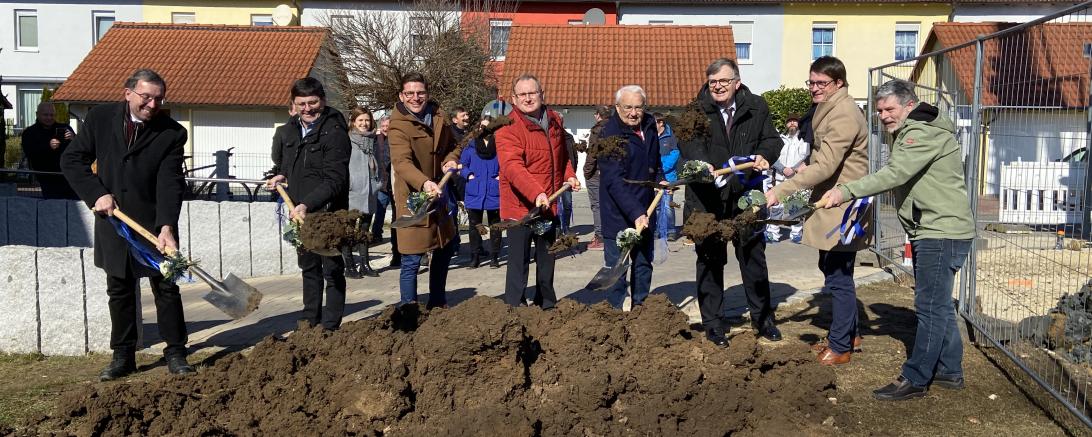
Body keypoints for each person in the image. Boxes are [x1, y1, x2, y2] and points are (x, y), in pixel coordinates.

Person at [821, 79, 975, 400]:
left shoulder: (919, 132)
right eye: (878, 111)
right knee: (940, 305)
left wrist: (845, 191)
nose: (884, 116)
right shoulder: (916, 128)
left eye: (889, 109)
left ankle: (915, 378)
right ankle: (949, 370)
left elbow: (895, 174)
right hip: (938, 229)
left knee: (929, 307)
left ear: (908, 105)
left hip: (939, 232)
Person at [60, 69, 194, 380]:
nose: (152, 104)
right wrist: (98, 194)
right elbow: (72, 160)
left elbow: (170, 182)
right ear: (128, 93)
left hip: (153, 223)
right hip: (112, 219)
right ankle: (123, 356)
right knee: (119, 288)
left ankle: (176, 352)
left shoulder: (171, 132)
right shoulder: (100, 119)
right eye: (146, 97)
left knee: (166, 287)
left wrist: (166, 227)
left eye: (158, 98)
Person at [767, 56, 872, 365]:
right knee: (832, 269)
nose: (814, 89)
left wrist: (780, 191)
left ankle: (840, 348)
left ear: (839, 83)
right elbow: (818, 156)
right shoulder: (828, 108)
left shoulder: (843, 114)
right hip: (830, 202)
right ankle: (848, 333)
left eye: (821, 83)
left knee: (838, 275)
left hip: (843, 206)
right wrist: (796, 169)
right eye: (811, 82)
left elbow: (826, 164)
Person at [678, 58, 781, 348]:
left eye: (724, 81)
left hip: (746, 197)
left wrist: (764, 155)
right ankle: (713, 325)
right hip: (707, 199)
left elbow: (772, 140)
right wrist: (702, 163)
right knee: (710, 261)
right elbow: (687, 144)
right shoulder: (695, 110)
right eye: (713, 82)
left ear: (737, 82)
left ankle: (763, 320)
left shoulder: (757, 107)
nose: (718, 87)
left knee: (753, 259)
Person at [266, 77, 351, 331]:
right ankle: (308, 321)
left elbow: (336, 179)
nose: (307, 109)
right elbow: (285, 165)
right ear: (293, 104)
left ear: (322, 101)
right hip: (299, 212)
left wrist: (308, 203)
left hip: (328, 212)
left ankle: (330, 326)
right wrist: (280, 176)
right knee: (308, 267)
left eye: (312, 103)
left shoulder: (334, 132)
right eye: (301, 103)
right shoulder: (288, 131)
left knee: (332, 269)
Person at [496, 73, 580, 309]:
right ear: (514, 98)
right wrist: (536, 193)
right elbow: (512, 167)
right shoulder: (507, 128)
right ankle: (514, 307)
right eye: (522, 94)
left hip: (548, 205)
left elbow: (561, 156)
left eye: (532, 93)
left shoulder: (554, 121)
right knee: (518, 262)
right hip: (520, 207)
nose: (528, 98)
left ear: (542, 95)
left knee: (547, 258)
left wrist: (569, 175)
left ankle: (546, 304)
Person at [388, 72, 462, 309]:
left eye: (420, 92)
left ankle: (437, 304)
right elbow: (401, 162)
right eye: (409, 93)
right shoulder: (398, 126)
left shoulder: (439, 116)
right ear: (402, 95)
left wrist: (451, 160)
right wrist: (423, 183)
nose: (415, 97)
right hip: (414, 200)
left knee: (443, 250)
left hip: (439, 198)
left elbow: (454, 145)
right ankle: (408, 308)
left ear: (427, 94)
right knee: (411, 258)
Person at [597, 85, 661, 309]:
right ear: (617, 107)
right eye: (627, 107)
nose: (633, 113)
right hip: (618, 214)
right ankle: (613, 318)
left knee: (643, 266)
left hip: (646, 208)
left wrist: (660, 179)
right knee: (617, 269)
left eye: (638, 107)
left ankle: (640, 315)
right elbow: (614, 181)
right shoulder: (610, 135)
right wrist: (636, 213)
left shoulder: (650, 125)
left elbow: (654, 160)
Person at [459, 116, 502, 269]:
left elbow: (508, 165)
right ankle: (475, 257)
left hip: (494, 191)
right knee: (474, 226)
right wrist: (469, 175)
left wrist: (500, 177)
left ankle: (494, 257)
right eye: (482, 126)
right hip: (474, 190)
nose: (484, 130)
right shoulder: (470, 147)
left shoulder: (500, 147)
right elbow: (462, 165)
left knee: (495, 226)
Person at [344, 107, 381, 278]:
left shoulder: (373, 139)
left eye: (367, 120)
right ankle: (349, 266)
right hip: (353, 190)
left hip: (371, 189)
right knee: (349, 230)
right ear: (353, 122)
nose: (364, 124)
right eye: (360, 121)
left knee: (365, 229)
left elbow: (378, 161)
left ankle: (365, 264)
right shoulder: (347, 139)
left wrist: (380, 181)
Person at [765, 114, 809, 243]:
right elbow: (773, 156)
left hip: (797, 179)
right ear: (786, 125)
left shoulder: (804, 140)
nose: (792, 124)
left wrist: (794, 169)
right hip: (780, 178)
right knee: (776, 207)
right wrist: (783, 168)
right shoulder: (780, 140)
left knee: (796, 206)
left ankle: (796, 233)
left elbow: (807, 157)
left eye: (795, 121)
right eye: (790, 122)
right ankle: (773, 233)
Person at [23, 101, 77, 199]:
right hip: (46, 177)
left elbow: (80, 149)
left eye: (52, 115)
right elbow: (30, 152)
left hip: (68, 176)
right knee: (53, 206)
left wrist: (74, 139)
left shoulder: (64, 128)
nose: (49, 118)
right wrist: (48, 146)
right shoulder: (30, 133)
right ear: (37, 114)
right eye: (45, 115)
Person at [583, 105, 613, 250]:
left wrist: (587, 172)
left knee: (597, 205)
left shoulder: (597, 130)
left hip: (598, 172)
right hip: (612, 172)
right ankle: (610, 235)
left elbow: (592, 153)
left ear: (597, 115)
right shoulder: (617, 128)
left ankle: (600, 237)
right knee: (610, 204)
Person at [653, 112, 680, 241]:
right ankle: (658, 229)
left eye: (654, 123)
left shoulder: (670, 136)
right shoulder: (651, 136)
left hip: (669, 175)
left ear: (661, 123)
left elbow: (675, 153)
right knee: (657, 206)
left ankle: (671, 230)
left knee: (668, 204)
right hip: (655, 176)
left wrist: (664, 166)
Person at [558, 113, 577, 234]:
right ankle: (556, 229)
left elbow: (574, 156)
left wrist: (572, 173)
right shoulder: (550, 137)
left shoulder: (569, 138)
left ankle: (566, 227)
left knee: (567, 204)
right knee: (554, 206)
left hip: (567, 177)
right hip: (554, 177)